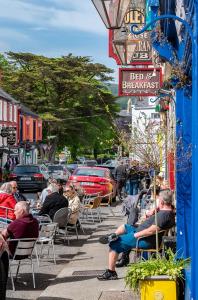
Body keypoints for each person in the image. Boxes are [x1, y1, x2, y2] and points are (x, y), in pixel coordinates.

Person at [97, 190, 175, 280]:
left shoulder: (163, 216)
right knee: (125, 227)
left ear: (161, 201)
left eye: (158, 200)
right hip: (143, 235)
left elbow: (151, 231)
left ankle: (111, 272)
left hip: (143, 239)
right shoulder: (167, 212)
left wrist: (135, 235)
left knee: (114, 244)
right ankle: (112, 235)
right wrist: (154, 211)